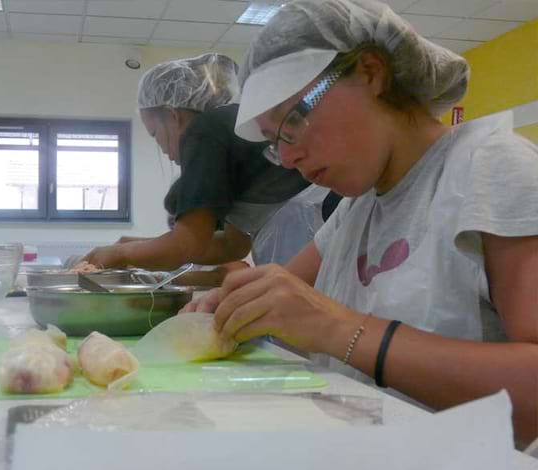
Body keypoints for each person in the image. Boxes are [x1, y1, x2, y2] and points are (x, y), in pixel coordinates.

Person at [185, 0, 538, 445]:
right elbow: (277, 293)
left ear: (371, 72)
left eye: (293, 120)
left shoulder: (490, 168)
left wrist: (340, 329)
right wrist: (229, 306)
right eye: (276, 144)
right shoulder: (357, 210)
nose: (289, 157)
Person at [83, 54, 316, 275]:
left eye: (155, 134)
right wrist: (132, 246)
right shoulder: (229, 126)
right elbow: (232, 246)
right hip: (304, 232)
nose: (162, 149)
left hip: (302, 235)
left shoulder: (204, 130)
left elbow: (187, 242)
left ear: (173, 116)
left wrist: (122, 254)